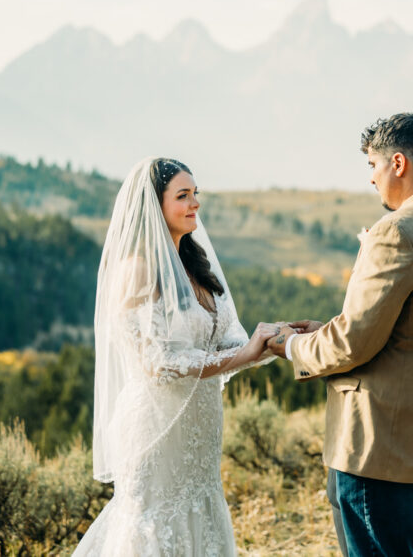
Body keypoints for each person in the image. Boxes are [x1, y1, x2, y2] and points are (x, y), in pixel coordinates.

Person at [267, 113, 413, 556]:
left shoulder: (397, 232)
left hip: (378, 450)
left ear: (399, 163)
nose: (371, 179)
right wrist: (327, 330)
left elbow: (352, 342)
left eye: (373, 165)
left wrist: (290, 345)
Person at [73, 157, 278, 556]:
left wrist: (273, 340)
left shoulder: (196, 265)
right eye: (183, 195)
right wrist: (245, 356)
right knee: (154, 526)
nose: (195, 203)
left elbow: (226, 345)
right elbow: (157, 363)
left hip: (199, 435)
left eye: (195, 194)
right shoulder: (138, 270)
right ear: (155, 205)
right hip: (156, 430)